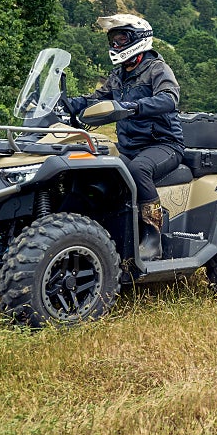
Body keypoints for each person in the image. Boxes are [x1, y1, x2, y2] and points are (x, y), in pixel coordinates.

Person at [68, 14, 184, 260]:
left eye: (122, 39)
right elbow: (95, 99)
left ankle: (153, 237)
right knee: (97, 167)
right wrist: (69, 103)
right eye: (114, 39)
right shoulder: (118, 75)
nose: (116, 45)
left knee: (139, 169)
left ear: (140, 40)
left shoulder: (157, 69)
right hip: (129, 147)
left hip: (163, 144)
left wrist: (135, 106)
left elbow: (169, 98)